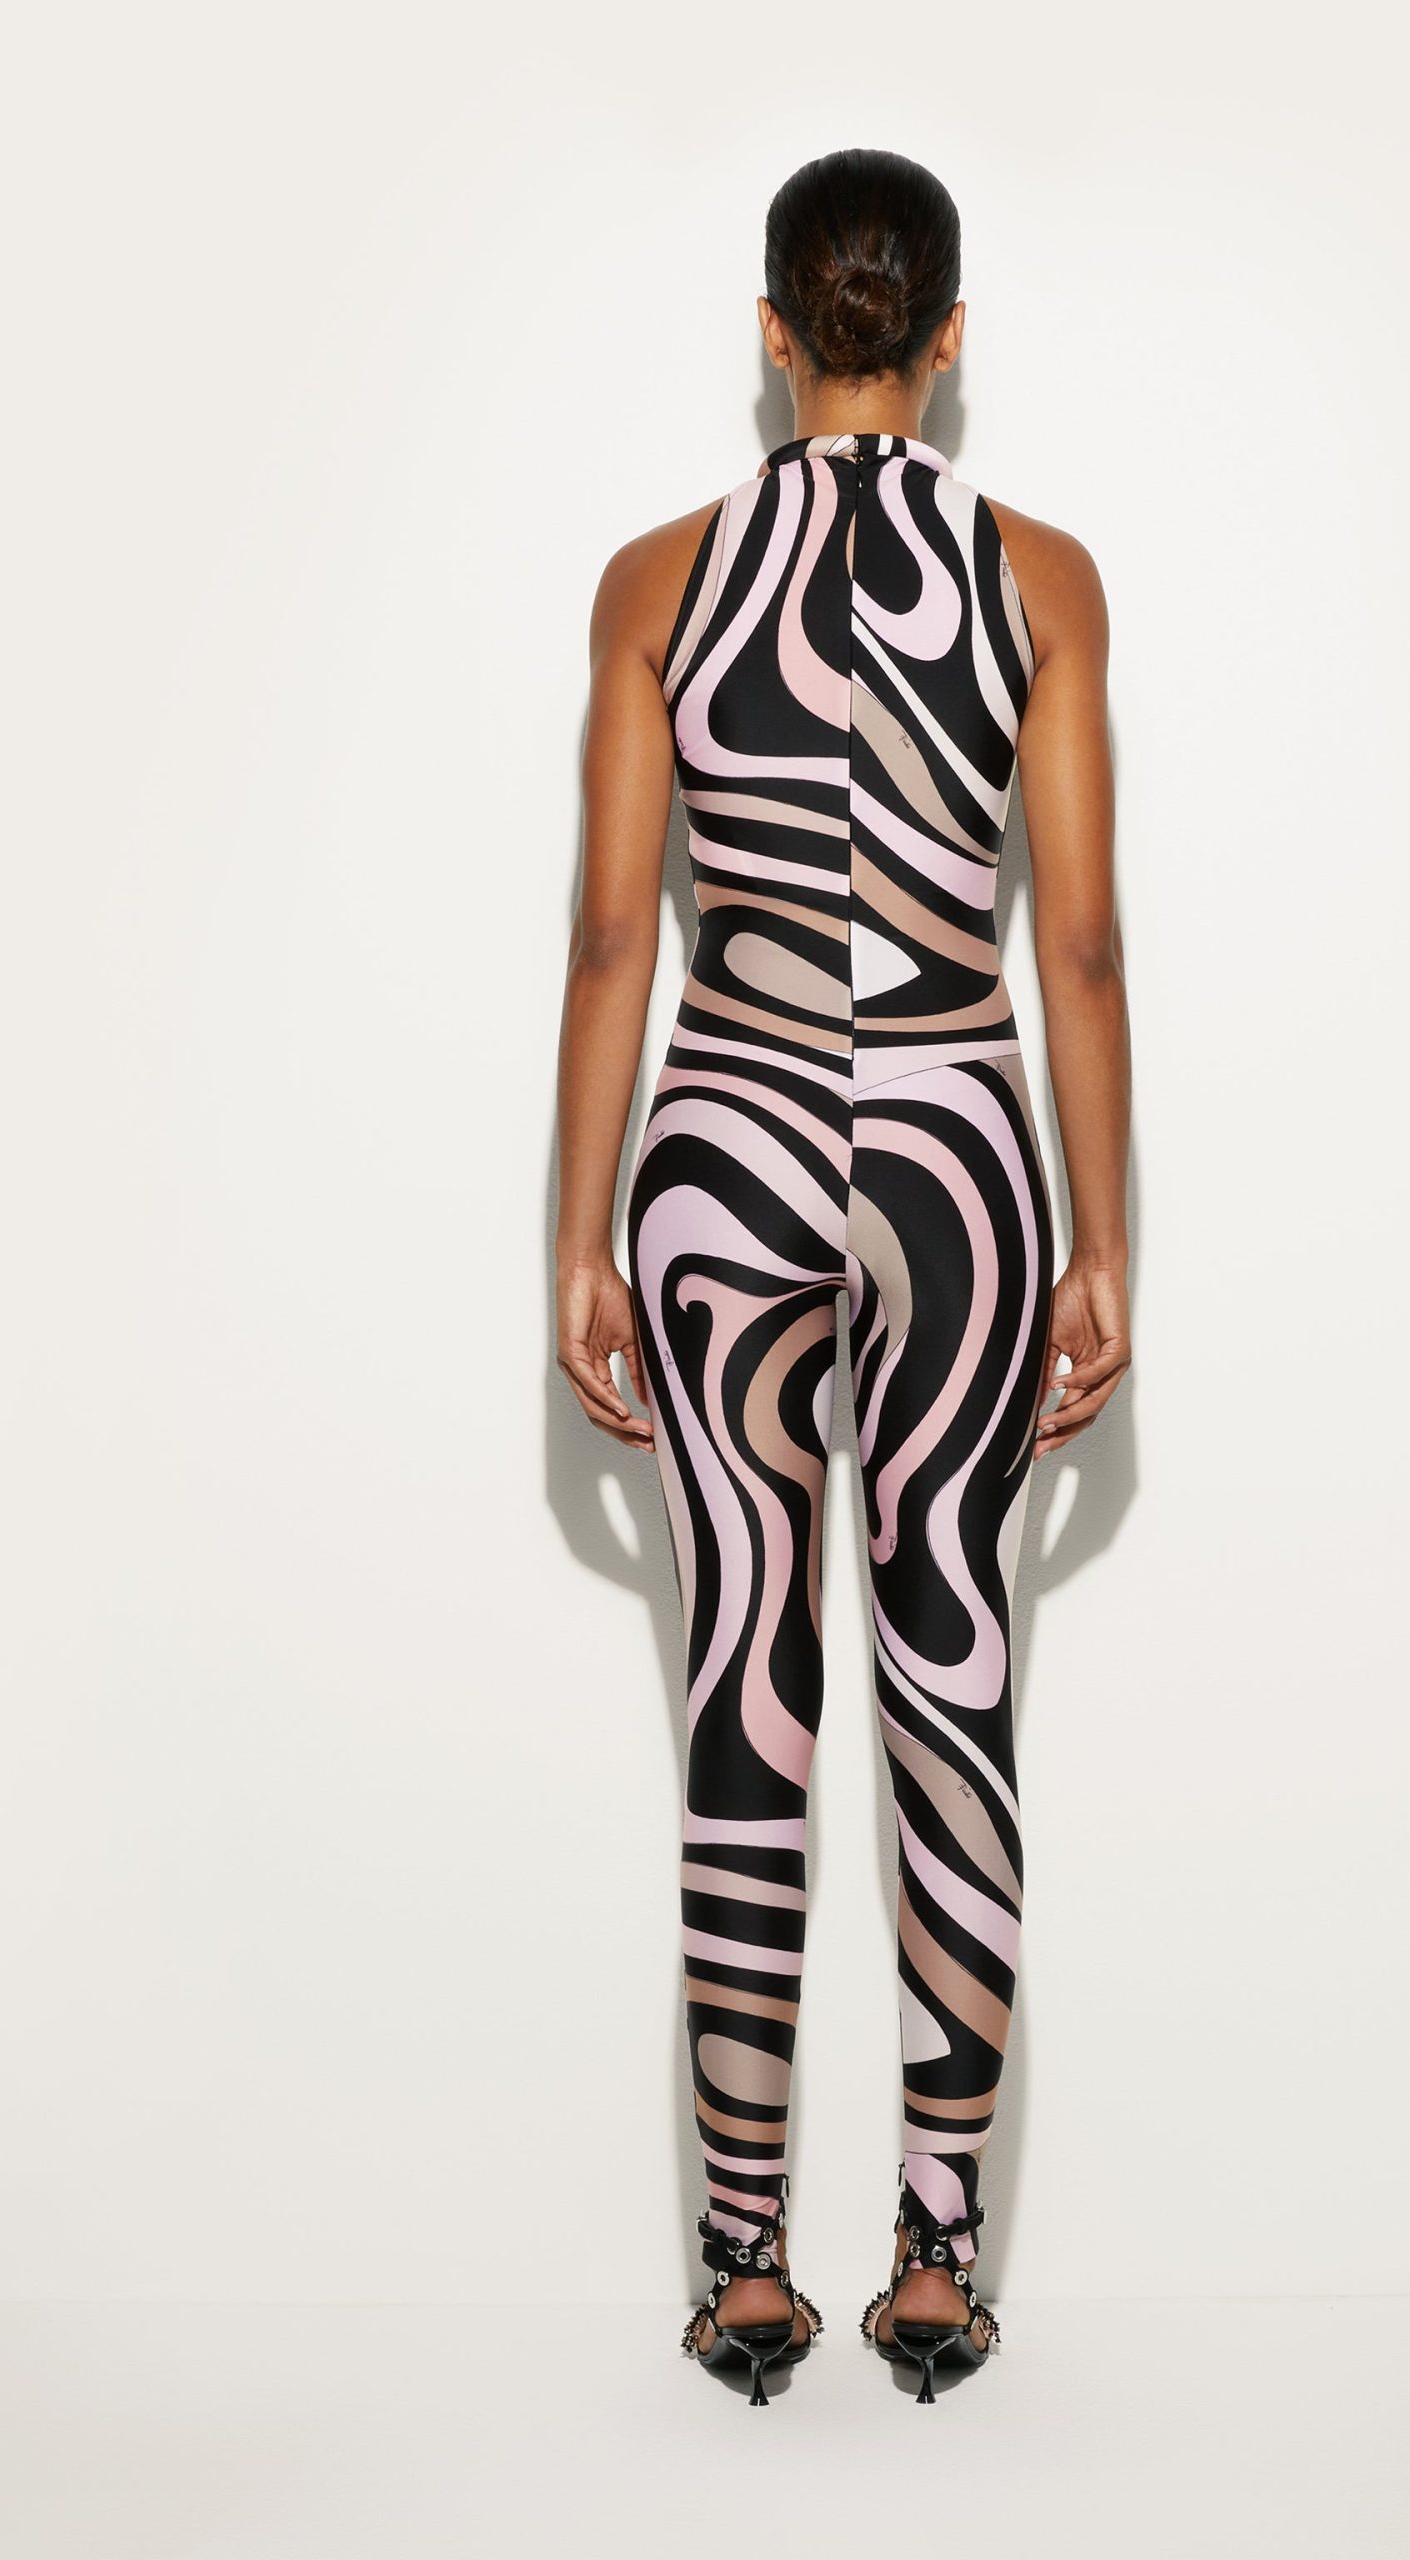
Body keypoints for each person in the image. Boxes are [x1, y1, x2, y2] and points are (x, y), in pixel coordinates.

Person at [554, 147, 1131, 2406]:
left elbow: (618, 934)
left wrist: (576, 1230)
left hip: (729, 1138)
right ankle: (938, 2262)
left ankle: (736, 2267)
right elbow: (1076, 944)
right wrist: (1105, 1234)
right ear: (951, 337)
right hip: (962, 1154)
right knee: (948, 1686)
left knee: (747, 1696)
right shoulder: (1040, 577)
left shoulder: (660, 581)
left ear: (775, 331)